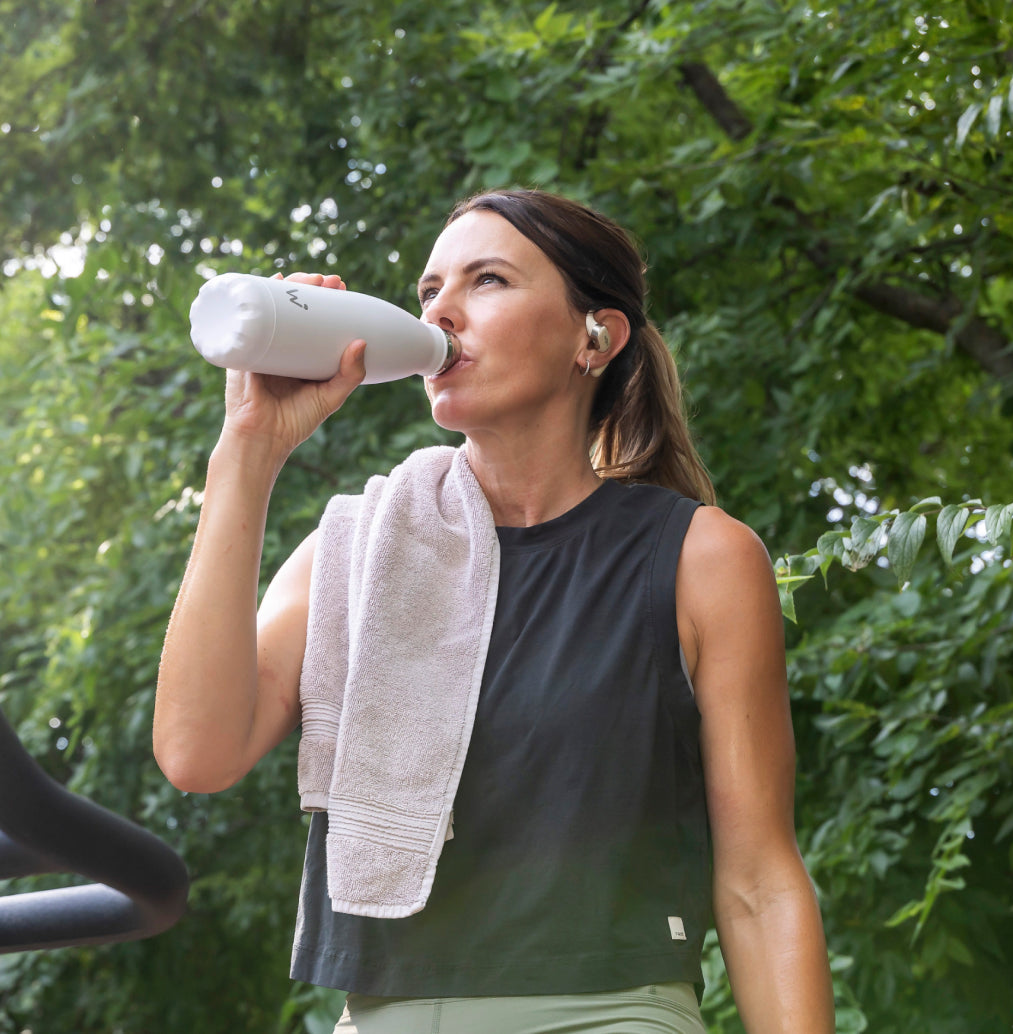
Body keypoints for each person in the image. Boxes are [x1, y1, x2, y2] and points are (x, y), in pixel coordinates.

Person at [154, 189, 835, 1034]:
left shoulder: (701, 560)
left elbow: (759, 883)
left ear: (596, 337)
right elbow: (196, 752)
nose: (442, 309)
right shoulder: (356, 548)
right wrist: (248, 450)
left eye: (488, 281)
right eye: (431, 288)